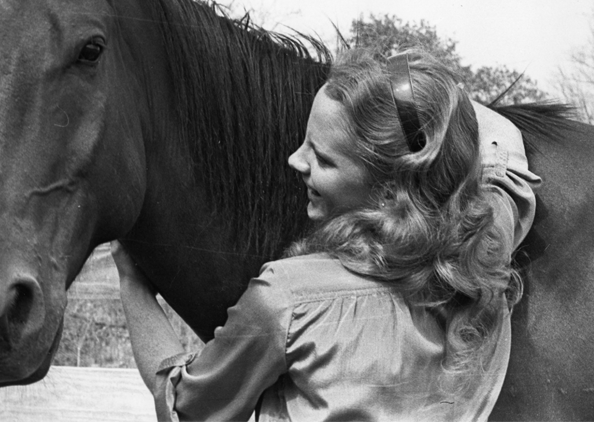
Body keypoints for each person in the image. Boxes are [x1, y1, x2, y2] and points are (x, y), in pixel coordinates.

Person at [113, 48, 541, 421]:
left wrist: (133, 284)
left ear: (390, 189)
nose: (295, 160)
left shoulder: (287, 300)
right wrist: (410, 102)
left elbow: (185, 409)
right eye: (305, 141)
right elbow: (506, 155)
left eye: (323, 158)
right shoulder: (486, 256)